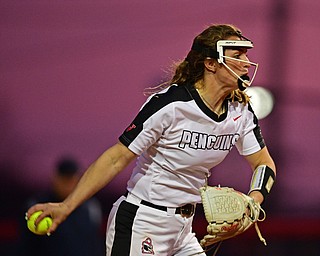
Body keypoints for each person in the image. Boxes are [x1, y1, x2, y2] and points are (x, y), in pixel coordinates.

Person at [27, 24, 276, 255]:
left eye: (246, 55)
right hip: (142, 221)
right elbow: (116, 158)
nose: (246, 63)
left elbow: (264, 164)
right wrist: (67, 206)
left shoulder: (240, 111)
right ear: (210, 63)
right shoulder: (172, 104)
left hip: (184, 228)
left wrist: (254, 202)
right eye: (237, 55)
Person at [20, 157, 105, 256]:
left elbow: (93, 244)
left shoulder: (91, 207)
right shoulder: (38, 206)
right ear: (55, 178)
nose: (68, 184)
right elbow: (26, 246)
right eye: (64, 179)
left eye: (71, 179)